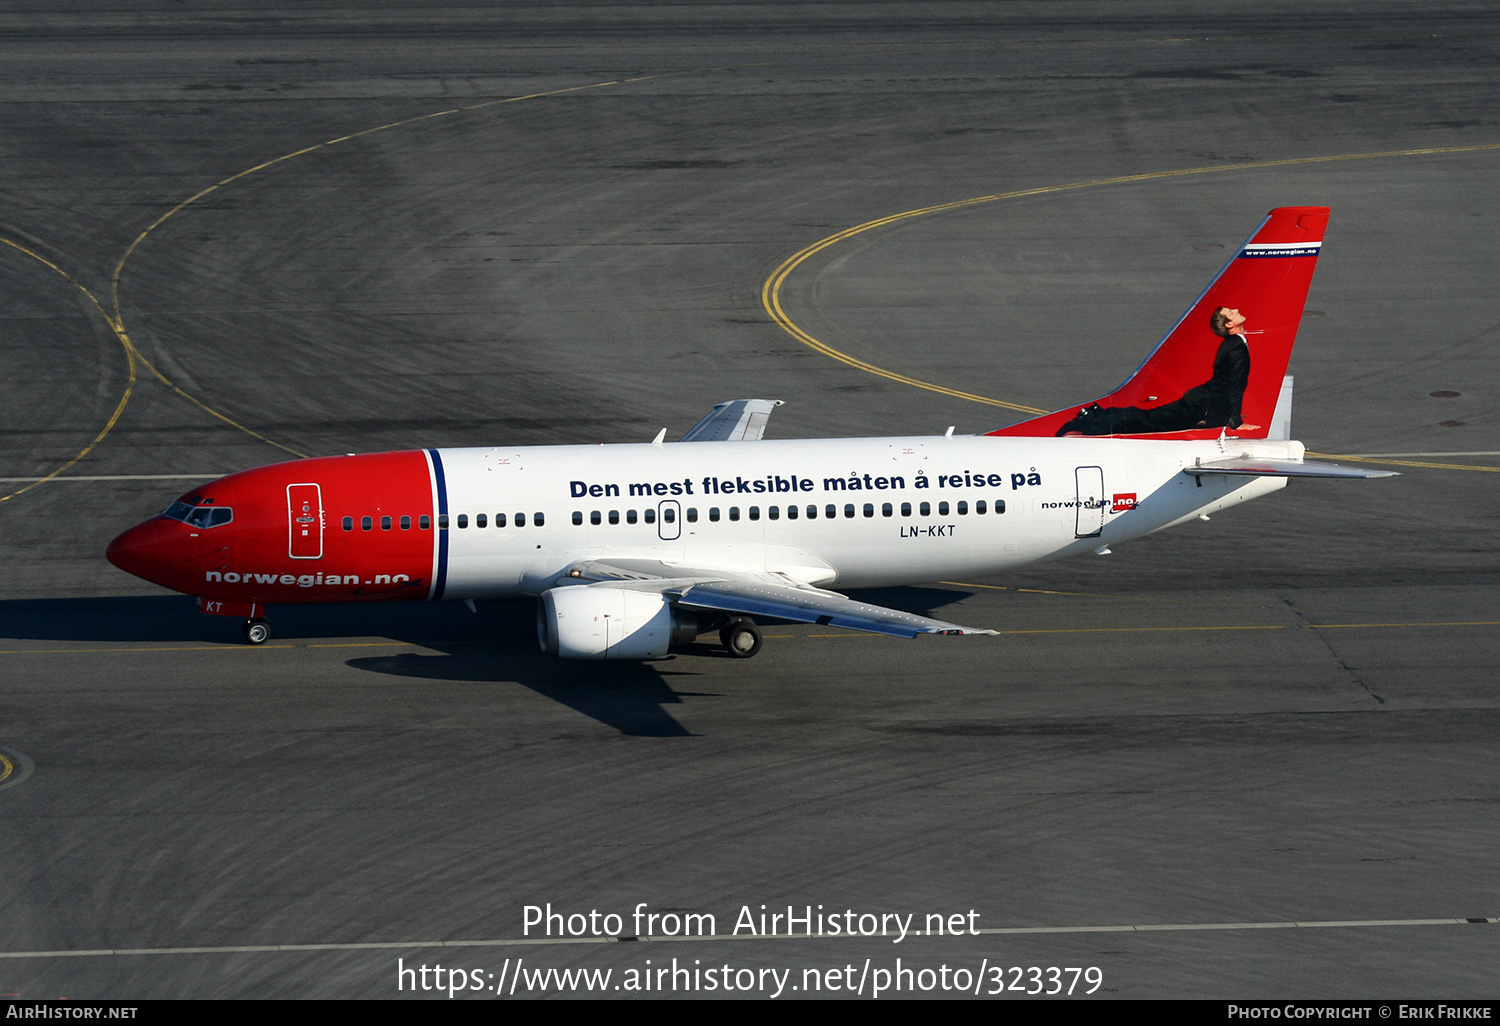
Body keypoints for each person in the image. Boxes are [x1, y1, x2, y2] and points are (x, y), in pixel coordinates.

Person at [1055, 306, 1259, 436]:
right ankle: (1095, 421)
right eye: (1231, 312)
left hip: (1201, 402)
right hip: (1200, 404)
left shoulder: (1235, 344)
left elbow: (1233, 385)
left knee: (1152, 418)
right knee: (1151, 421)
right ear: (1229, 324)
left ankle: (1097, 417)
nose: (1236, 309)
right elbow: (1233, 386)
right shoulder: (1235, 346)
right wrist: (1236, 422)